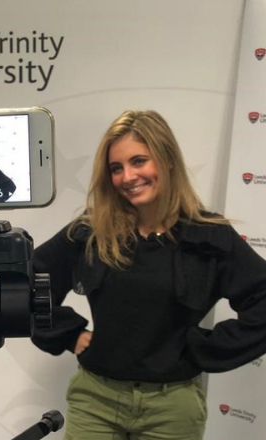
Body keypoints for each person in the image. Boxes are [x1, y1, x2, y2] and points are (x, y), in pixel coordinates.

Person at [32, 110, 266, 440]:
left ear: (167, 159)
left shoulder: (209, 236)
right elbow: (30, 280)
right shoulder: (93, 230)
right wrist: (68, 334)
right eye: (116, 168)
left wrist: (202, 349)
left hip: (172, 408)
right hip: (95, 400)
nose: (128, 176)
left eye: (139, 161)